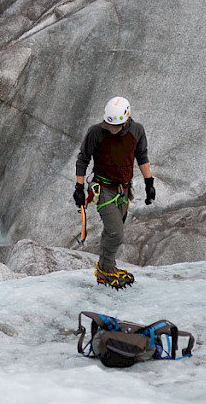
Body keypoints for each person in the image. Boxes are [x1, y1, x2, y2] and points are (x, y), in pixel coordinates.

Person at [73, 97, 156, 289]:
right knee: (116, 233)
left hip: (124, 191)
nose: (112, 129)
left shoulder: (137, 130)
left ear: (126, 119)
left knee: (111, 231)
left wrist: (149, 183)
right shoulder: (95, 132)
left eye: (116, 126)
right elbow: (83, 159)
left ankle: (105, 269)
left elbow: (142, 156)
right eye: (109, 125)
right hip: (103, 190)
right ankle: (106, 269)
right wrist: (79, 188)